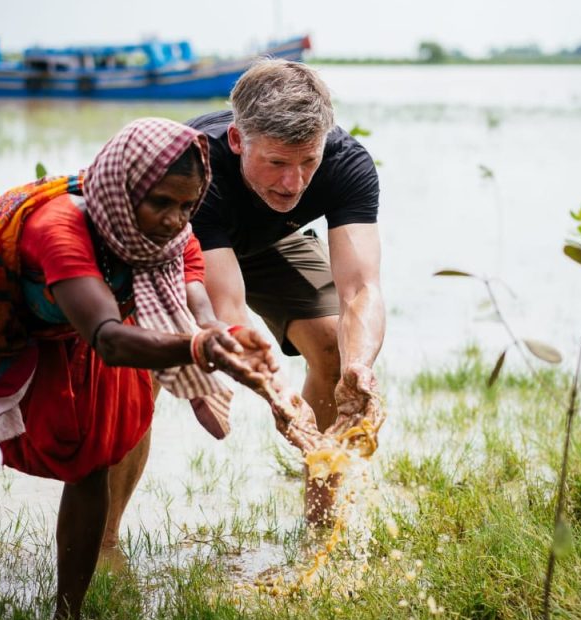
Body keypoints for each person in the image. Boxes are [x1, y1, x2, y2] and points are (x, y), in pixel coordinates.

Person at [0, 117, 281, 620]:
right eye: (162, 203)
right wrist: (199, 349)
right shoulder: (58, 228)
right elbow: (109, 337)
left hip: (70, 333)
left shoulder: (167, 234)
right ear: (122, 191)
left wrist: (221, 335)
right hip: (9, 324)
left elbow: (194, 290)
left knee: (92, 460)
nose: (176, 219)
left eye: (188, 205)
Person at [105, 59, 385, 531]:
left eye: (307, 162)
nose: (294, 182)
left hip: (273, 239)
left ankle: (322, 529)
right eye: (277, 162)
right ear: (237, 141)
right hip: (185, 244)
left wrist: (359, 365)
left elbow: (361, 288)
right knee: (142, 374)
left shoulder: (346, 163)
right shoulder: (197, 167)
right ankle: (105, 540)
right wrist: (274, 393)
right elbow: (227, 307)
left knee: (336, 353)